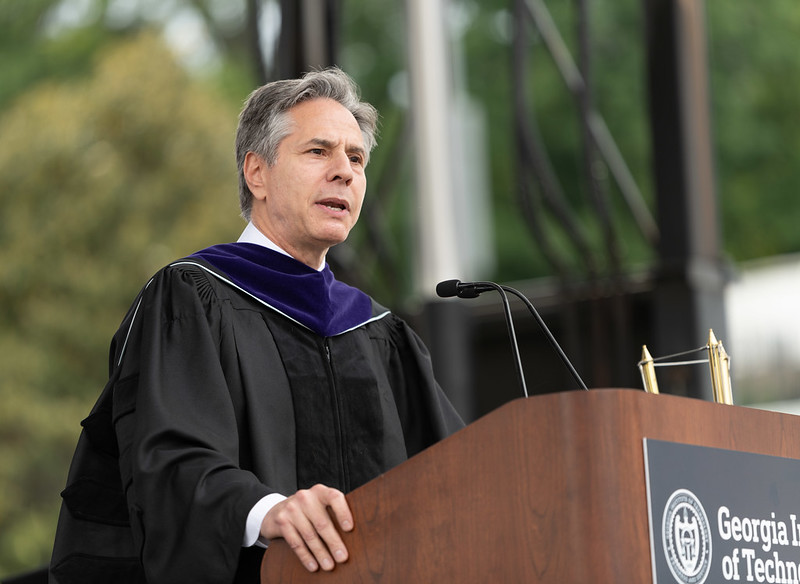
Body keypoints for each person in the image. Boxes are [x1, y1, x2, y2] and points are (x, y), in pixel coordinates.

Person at [49, 67, 464, 584]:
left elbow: (458, 478)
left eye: (356, 158)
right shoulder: (192, 298)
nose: (345, 172)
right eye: (319, 151)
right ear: (257, 173)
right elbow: (168, 461)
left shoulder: (379, 333)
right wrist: (264, 510)